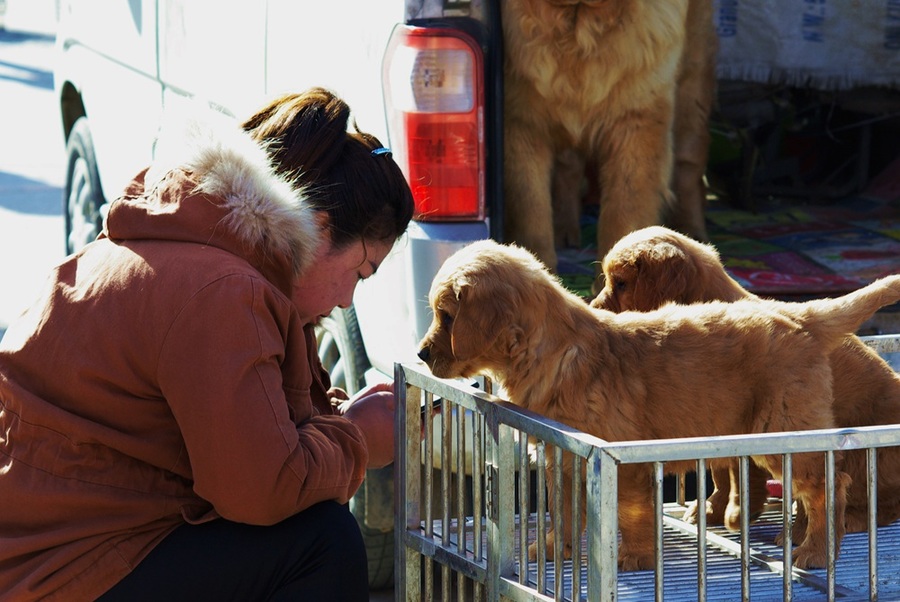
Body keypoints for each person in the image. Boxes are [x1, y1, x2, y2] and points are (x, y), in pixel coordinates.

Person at [0, 87, 415, 601]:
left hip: (47, 554)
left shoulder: (194, 251)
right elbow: (264, 487)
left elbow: (260, 434)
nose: (348, 300)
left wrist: (339, 418)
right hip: (62, 575)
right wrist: (359, 437)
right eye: (361, 271)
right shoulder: (225, 293)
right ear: (320, 228)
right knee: (324, 542)